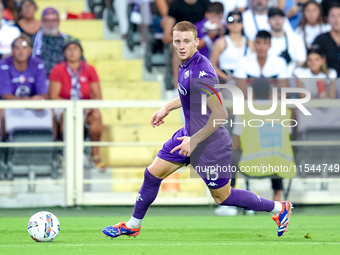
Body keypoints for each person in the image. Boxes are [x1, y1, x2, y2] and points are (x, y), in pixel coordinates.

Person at [102, 21, 293, 239]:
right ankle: (133, 225)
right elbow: (187, 94)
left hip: (210, 144)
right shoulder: (185, 65)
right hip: (188, 135)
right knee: (152, 173)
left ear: (196, 42)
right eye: (177, 41)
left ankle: (279, 208)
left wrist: (193, 141)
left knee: (223, 197)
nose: (181, 46)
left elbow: (220, 115)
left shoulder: (202, 71)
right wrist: (167, 107)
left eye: (186, 41)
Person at [232, 78, 296, 202]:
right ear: (270, 93)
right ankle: (277, 200)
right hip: (280, 165)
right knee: (275, 156)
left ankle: (229, 202)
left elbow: (236, 143)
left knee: (229, 157)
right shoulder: (282, 110)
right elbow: (287, 136)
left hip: (250, 166)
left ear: (253, 93)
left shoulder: (244, 110)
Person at [49, 38, 105, 171]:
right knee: (65, 118)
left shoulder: (89, 69)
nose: (72, 52)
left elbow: (97, 96)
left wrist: (88, 108)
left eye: (75, 49)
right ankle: (65, 156)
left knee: (97, 117)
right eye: (69, 49)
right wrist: (71, 106)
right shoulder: (58, 69)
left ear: (81, 52)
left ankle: (95, 155)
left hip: (84, 107)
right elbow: (54, 96)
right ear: (64, 52)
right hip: (64, 106)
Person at [0, 34, 47, 137]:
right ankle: (4, 145)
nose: (21, 52)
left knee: (50, 111)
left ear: (30, 50)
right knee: (1, 112)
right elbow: (5, 95)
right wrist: (30, 101)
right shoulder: (4, 64)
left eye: (24, 48)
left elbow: (43, 93)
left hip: (32, 102)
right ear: (12, 51)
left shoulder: (38, 64)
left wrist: (38, 99)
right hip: (10, 103)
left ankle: (55, 146)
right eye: (17, 48)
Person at [234, 30, 288, 98]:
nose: (261, 47)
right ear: (254, 44)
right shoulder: (243, 61)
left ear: (270, 45)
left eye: (265, 43)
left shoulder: (280, 62)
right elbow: (241, 91)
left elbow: (284, 93)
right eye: (258, 43)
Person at [210, 10, 251, 84]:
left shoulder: (250, 43)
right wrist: (227, 78)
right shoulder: (221, 42)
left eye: (238, 20)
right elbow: (212, 65)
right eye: (231, 21)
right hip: (226, 80)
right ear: (227, 24)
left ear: (243, 23)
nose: (235, 23)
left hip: (246, 80)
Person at [32, 7, 71, 77]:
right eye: (47, 20)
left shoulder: (69, 40)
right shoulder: (33, 40)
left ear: (59, 21)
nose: (51, 24)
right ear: (42, 22)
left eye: (54, 20)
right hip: (40, 79)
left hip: (64, 79)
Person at [267, 7, 306, 76]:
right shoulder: (263, 40)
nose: (277, 21)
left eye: (280, 18)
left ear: (284, 20)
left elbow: (301, 60)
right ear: (268, 21)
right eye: (274, 18)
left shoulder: (296, 38)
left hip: (290, 76)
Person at [313, 2, 340, 77]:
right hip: (327, 81)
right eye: (333, 16)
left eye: (339, 15)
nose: (336, 19)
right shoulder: (320, 40)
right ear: (328, 19)